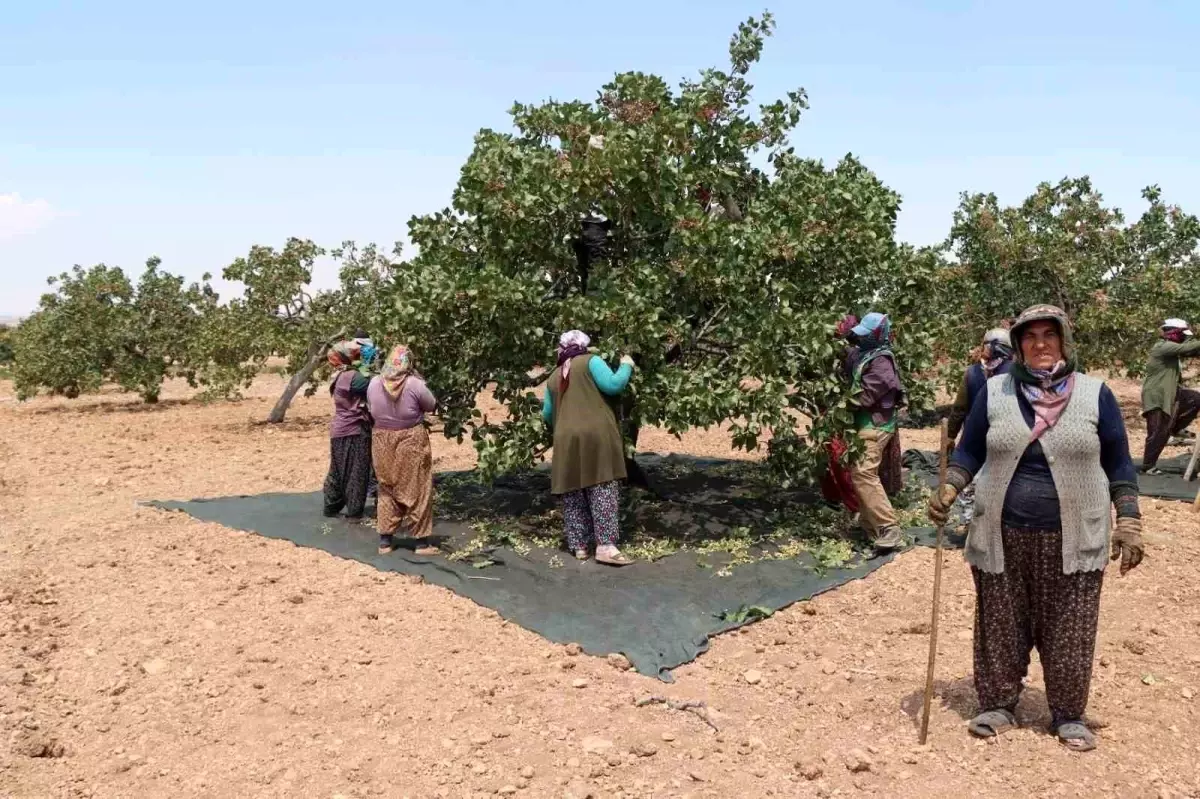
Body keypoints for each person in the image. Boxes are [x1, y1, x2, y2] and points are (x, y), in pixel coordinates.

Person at [927, 304, 1144, 752]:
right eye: (1030, 337)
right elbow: (969, 451)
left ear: (1064, 341)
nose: (1040, 344)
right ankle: (999, 704)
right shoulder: (994, 391)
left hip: (1075, 535)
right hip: (1001, 530)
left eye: (1049, 335)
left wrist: (1130, 519)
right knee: (1000, 622)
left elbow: (1119, 462)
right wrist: (951, 486)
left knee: (1071, 626)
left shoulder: (1095, 394)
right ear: (1019, 346)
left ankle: (1067, 714)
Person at [542, 330, 635, 566]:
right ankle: (605, 546)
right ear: (584, 346)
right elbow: (614, 385)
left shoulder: (554, 376)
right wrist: (626, 365)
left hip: (565, 439)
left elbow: (547, 414)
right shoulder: (591, 362)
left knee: (573, 490)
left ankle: (580, 546)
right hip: (596, 435)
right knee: (602, 486)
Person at [843, 312, 906, 551]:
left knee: (863, 472)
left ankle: (889, 528)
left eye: (866, 336)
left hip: (876, 424)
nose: (862, 340)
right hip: (864, 424)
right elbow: (849, 354)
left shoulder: (882, 362)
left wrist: (842, 404)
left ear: (878, 335)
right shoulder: (865, 354)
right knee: (860, 472)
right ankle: (871, 526)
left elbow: (867, 395)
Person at [367, 345, 438, 556]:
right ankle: (422, 543)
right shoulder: (415, 384)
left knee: (387, 486)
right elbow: (431, 405)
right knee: (417, 487)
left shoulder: (373, 383)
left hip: (381, 439)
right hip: (410, 438)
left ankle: (385, 542)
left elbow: (372, 408)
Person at [945, 328, 1016, 527]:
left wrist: (950, 436)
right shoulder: (1017, 373)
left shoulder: (973, 373)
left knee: (970, 482)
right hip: (1004, 441)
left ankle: (972, 525)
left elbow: (959, 409)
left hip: (975, 438)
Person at [1140, 318, 1200, 474]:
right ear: (1173, 333)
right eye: (1182, 335)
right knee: (1157, 432)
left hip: (1172, 391)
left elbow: (1191, 349)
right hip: (1157, 395)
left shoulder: (1172, 350)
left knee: (1195, 399)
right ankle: (1148, 466)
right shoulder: (1163, 348)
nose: (1184, 338)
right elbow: (1189, 347)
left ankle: (1175, 429)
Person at [322, 340, 373, 520]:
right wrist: (370, 364)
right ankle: (354, 513)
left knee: (338, 469)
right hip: (354, 429)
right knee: (356, 471)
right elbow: (375, 383)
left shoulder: (340, 375)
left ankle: (331, 506)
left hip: (340, 429)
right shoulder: (351, 376)